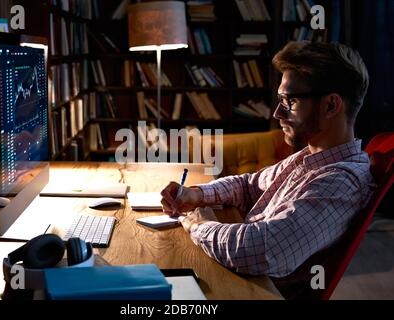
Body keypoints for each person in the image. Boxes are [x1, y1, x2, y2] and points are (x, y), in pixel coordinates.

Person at [160, 41, 375, 286]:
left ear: (330, 105)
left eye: (289, 101)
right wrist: (197, 194)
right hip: (237, 275)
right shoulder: (310, 157)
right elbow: (249, 185)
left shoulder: (340, 183)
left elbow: (259, 250)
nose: (277, 114)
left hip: (251, 289)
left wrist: (198, 225)